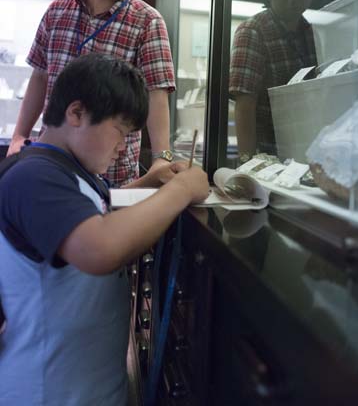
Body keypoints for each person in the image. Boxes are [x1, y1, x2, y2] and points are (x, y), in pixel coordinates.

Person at [0, 53, 209, 406]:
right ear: (76, 113)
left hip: (87, 386)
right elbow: (99, 248)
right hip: (46, 392)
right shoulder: (32, 177)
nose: (123, 146)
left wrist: (149, 180)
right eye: (120, 131)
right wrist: (182, 190)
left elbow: (96, 208)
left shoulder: (71, 171)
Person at [7, 0, 175, 186]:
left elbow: (157, 96)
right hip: (52, 162)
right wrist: (19, 134)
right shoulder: (56, 13)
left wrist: (163, 158)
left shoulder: (147, 21)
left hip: (113, 173)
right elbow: (40, 77)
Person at [229, 0, 319, 163]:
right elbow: (244, 105)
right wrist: (248, 164)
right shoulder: (252, 31)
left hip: (306, 157)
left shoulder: (310, 33)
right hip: (268, 161)